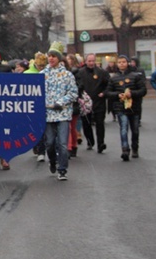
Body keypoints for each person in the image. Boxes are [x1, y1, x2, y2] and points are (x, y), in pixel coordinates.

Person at [43, 47, 78, 181]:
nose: (51, 58)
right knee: (50, 143)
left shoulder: (67, 75)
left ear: (59, 59)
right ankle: (53, 160)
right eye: (49, 56)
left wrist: (61, 102)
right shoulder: (42, 74)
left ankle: (62, 169)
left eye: (54, 56)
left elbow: (73, 93)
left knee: (62, 144)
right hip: (48, 114)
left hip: (62, 113)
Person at [107, 55, 147, 160]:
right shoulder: (114, 78)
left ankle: (135, 148)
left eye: (123, 62)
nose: (121, 64)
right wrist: (117, 95)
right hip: (120, 107)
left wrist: (132, 93)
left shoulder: (135, 76)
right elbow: (108, 92)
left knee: (135, 130)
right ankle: (125, 149)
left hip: (134, 107)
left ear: (128, 63)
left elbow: (143, 90)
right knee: (123, 128)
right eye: (119, 62)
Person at [77, 53, 110, 153]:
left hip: (99, 101)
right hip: (85, 103)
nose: (91, 63)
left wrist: (104, 93)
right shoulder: (80, 73)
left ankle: (101, 143)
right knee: (86, 123)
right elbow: (77, 86)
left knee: (100, 123)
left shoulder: (102, 72)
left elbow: (109, 85)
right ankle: (90, 141)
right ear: (85, 61)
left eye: (93, 61)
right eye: (89, 61)